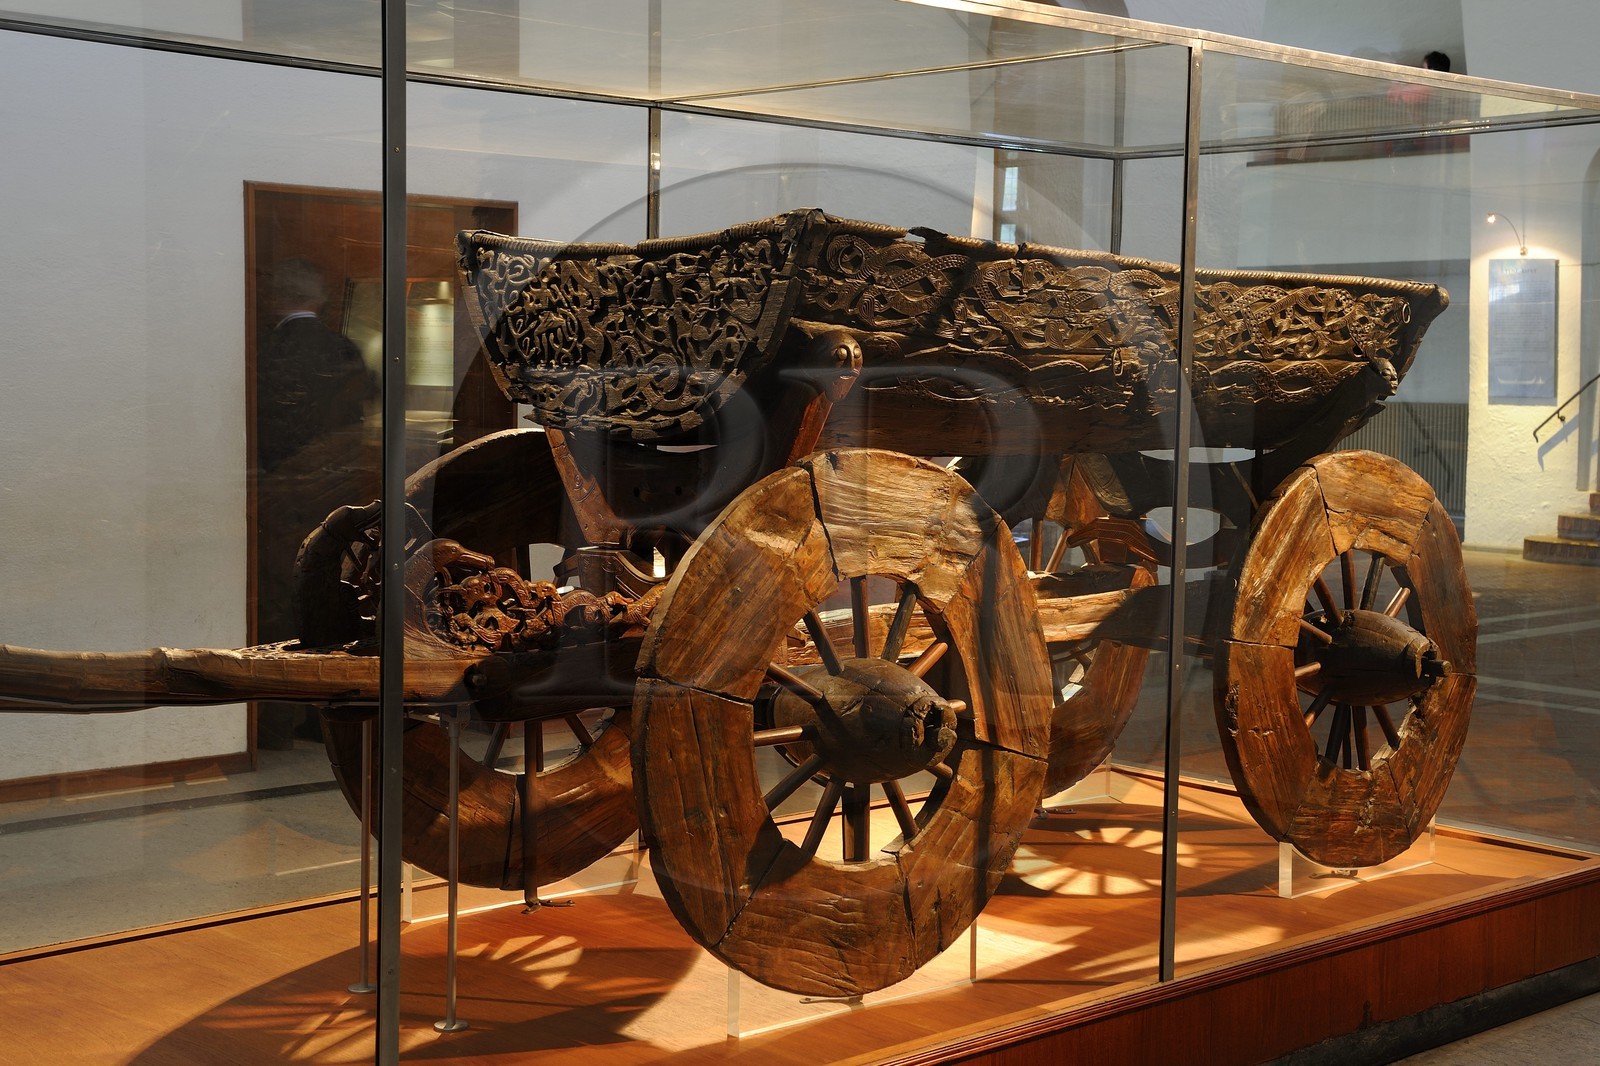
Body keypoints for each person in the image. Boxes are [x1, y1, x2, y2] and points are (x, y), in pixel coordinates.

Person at [255, 258, 378, 749]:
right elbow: (364, 409)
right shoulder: (343, 347)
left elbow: (263, 425)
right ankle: (325, 713)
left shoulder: (269, 349)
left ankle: (276, 720)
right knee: (334, 591)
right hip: (340, 496)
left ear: (274, 296)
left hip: (281, 498)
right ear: (321, 299)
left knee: (280, 597)